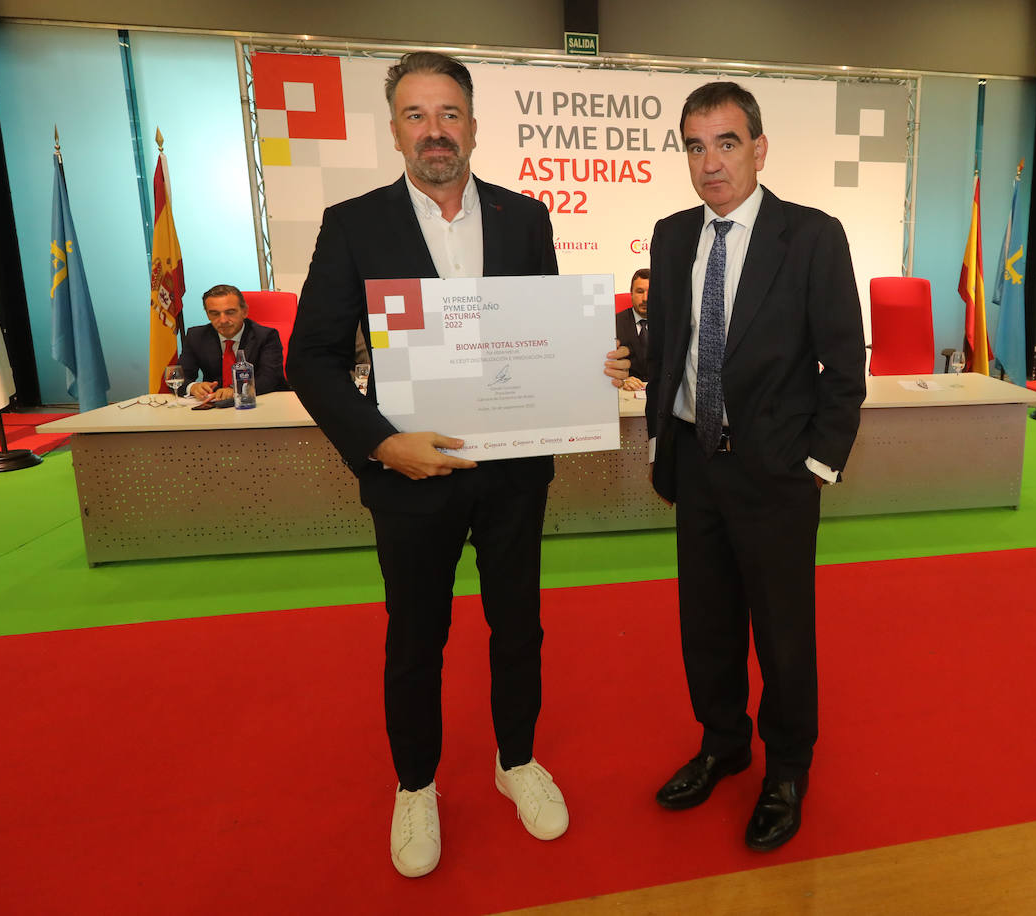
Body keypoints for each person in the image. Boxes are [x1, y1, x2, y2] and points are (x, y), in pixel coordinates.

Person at [286, 51, 629, 879]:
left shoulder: (524, 216)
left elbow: (542, 332)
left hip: (513, 473)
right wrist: (378, 443)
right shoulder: (354, 224)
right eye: (416, 114)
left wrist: (595, 364)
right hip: (411, 476)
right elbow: (310, 360)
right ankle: (416, 785)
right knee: (416, 639)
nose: (434, 130)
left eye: (449, 114)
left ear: (473, 125)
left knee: (518, 627)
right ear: (396, 128)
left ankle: (517, 762)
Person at [645, 82, 866, 852]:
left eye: (727, 143)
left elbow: (844, 366)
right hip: (695, 464)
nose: (711, 163)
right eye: (696, 146)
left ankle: (787, 769)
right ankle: (724, 743)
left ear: (760, 148)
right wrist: (640, 394)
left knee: (781, 632)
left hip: (775, 474)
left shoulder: (810, 237)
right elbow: (675, 344)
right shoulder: (673, 238)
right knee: (704, 624)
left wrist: (816, 464)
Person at [180, 284, 286, 400]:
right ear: (207, 314)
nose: (223, 320)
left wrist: (236, 390)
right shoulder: (196, 336)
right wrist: (193, 387)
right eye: (215, 314)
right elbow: (178, 377)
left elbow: (270, 378)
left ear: (244, 312)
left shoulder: (265, 336)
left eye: (230, 312)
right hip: (216, 407)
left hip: (261, 403)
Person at [616, 268, 650, 390]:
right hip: (626, 392)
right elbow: (603, 364)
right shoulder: (614, 323)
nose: (645, 298)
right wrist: (623, 379)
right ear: (631, 293)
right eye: (640, 292)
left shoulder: (669, 325)